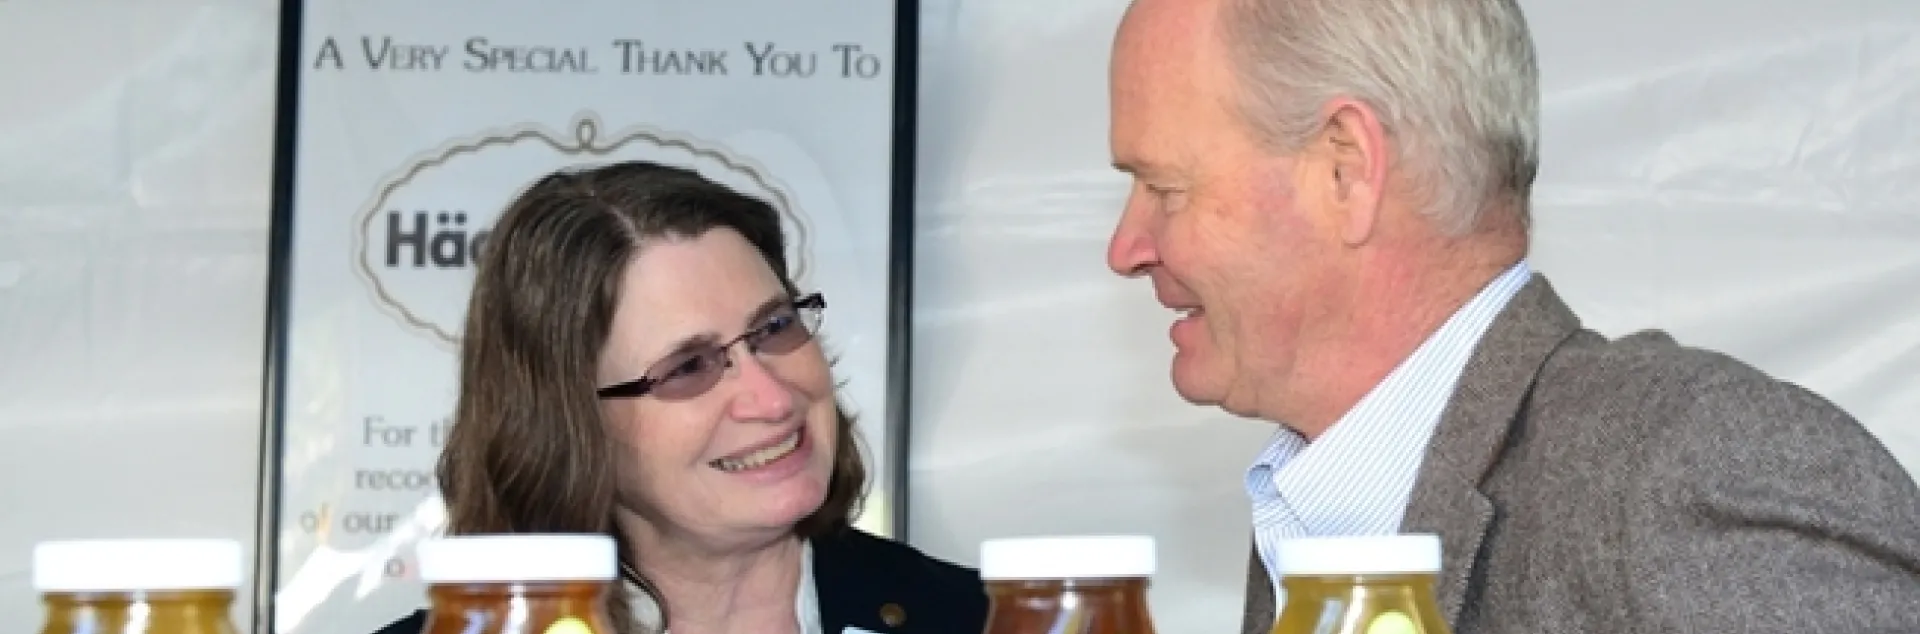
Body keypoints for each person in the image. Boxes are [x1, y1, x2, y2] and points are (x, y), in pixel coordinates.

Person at [1103, 0, 1920, 632]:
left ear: (1346, 171)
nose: (1127, 246)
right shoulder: (1325, 516)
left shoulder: (1693, 472)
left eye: (1165, 188)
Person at [373, 161, 987, 634]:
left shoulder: (982, 618)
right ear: (566, 424)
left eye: (774, 328)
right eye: (689, 366)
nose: (771, 399)